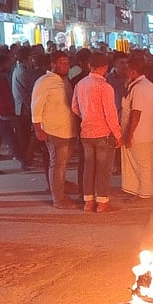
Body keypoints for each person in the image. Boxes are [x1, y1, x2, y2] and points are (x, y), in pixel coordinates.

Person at [72, 52, 122, 212]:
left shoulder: (80, 84)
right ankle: (102, 202)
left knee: (88, 168)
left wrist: (86, 116)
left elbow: (74, 107)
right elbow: (111, 113)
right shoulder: (105, 87)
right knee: (103, 169)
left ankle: (88, 201)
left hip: (86, 132)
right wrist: (118, 133)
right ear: (105, 68)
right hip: (103, 133)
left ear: (89, 66)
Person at [32, 51, 77, 209]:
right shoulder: (44, 81)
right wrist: (38, 128)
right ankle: (58, 199)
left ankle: (60, 189)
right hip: (54, 130)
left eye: (67, 63)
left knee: (62, 165)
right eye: (62, 63)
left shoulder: (64, 81)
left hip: (68, 130)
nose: (66, 66)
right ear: (53, 64)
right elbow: (36, 106)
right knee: (57, 165)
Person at [120, 53, 153, 199]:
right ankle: (140, 192)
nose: (125, 73)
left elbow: (136, 113)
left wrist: (129, 135)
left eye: (127, 70)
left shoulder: (139, 88)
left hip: (139, 134)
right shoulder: (147, 85)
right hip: (146, 132)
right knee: (142, 164)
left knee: (143, 165)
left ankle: (145, 194)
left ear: (134, 71)